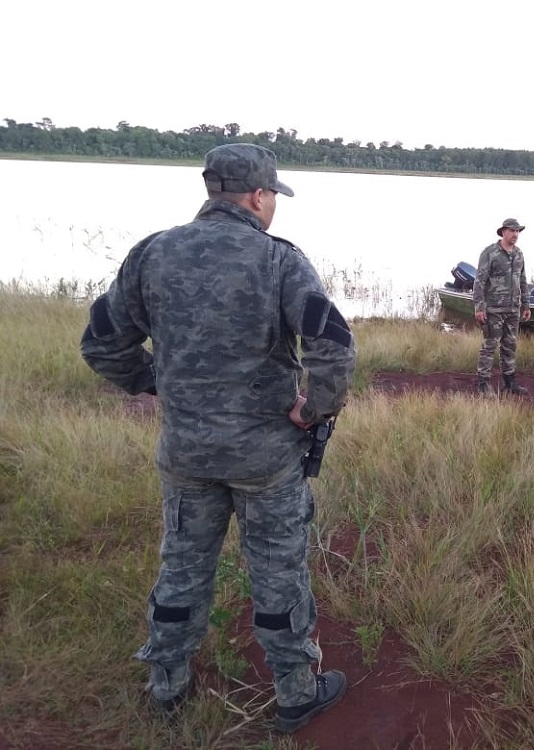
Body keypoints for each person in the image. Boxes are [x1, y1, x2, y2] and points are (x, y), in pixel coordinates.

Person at [80, 143, 357, 733]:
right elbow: (334, 348)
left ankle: (167, 686)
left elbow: (101, 343)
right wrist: (313, 411)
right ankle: (295, 693)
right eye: (273, 195)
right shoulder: (278, 261)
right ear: (258, 196)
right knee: (278, 573)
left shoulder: (152, 253)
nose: (273, 205)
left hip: (186, 452)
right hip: (265, 458)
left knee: (181, 566)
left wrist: (157, 384)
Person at [473, 217, 531, 395]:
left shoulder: (519, 254)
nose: (516, 234)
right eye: (512, 230)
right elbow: (479, 281)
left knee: (510, 346)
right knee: (490, 346)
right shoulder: (490, 253)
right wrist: (479, 307)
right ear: (503, 232)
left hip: (513, 309)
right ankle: (483, 383)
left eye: (518, 231)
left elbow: (522, 280)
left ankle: (509, 382)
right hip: (494, 310)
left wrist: (526, 305)